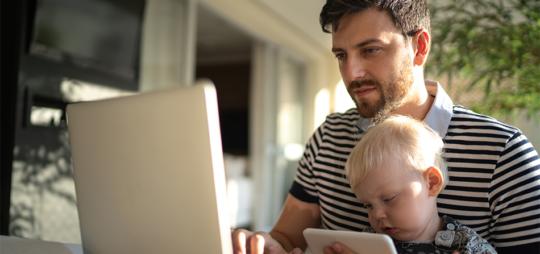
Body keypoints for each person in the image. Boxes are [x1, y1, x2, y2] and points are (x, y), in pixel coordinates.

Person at [232, 1, 540, 254]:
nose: (351, 73)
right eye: (341, 55)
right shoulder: (327, 138)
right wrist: (267, 245)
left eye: (370, 50)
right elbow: (288, 239)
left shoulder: (504, 154)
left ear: (419, 47)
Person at [345, 115, 496, 254]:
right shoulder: (368, 244)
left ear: (431, 183)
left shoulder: (467, 245)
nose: (377, 214)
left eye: (388, 199)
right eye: (368, 206)